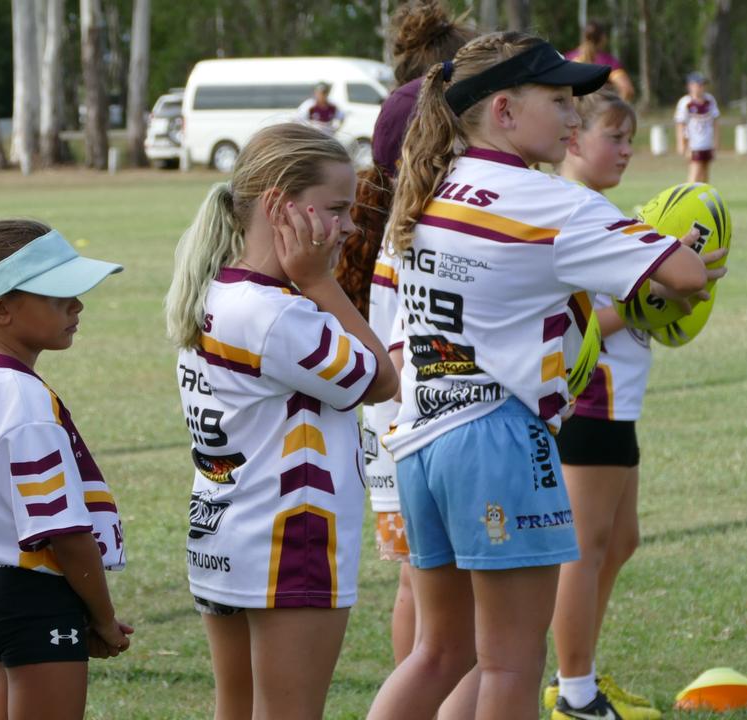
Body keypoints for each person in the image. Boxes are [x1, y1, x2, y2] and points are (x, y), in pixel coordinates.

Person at [364, 33, 717, 720]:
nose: (573, 119)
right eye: (558, 100)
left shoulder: (431, 183)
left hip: (420, 437)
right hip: (495, 438)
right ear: (502, 109)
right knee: (510, 662)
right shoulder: (548, 201)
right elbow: (685, 274)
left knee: (439, 653)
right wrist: (696, 247)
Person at [164, 122, 398, 720]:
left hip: (223, 532)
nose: (348, 226)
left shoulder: (214, 291)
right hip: (288, 541)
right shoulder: (280, 313)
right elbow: (381, 378)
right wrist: (321, 281)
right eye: (338, 209)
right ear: (280, 206)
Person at [546, 88, 725, 720]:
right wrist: (653, 298)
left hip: (621, 401)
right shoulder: (570, 212)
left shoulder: (602, 209)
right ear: (573, 140)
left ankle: (582, 674)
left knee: (620, 541)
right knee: (585, 549)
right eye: (613, 138)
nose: (626, 150)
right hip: (589, 400)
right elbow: (580, 315)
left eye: (630, 139)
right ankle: (574, 693)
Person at [0, 219, 130, 720]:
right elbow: (64, 531)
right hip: (36, 597)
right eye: (59, 296)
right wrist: (102, 618)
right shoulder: (22, 399)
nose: (77, 305)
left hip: (0, 592)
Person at [333, 0, 474, 668]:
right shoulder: (431, 233)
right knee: (446, 591)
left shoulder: (384, 231)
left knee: (418, 583)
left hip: (389, 428)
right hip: (428, 421)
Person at [565, 20, 635, 102]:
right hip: (599, 113)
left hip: (572, 112)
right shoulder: (608, 62)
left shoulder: (567, 59)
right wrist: (616, 109)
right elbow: (627, 90)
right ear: (603, 38)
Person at [674, 72, 720, 183]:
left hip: (707, 142)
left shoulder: (710, 100)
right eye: (698, 84)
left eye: (703, 85)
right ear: (690, 86)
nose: (701, 87)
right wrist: (682, 144)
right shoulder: (686, 103)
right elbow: (680, 124)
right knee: (695, 173)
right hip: (694, 144)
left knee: (705, 174)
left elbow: (715, 121)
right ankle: (688, 197)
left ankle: (703, 198)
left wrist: (716, 142)